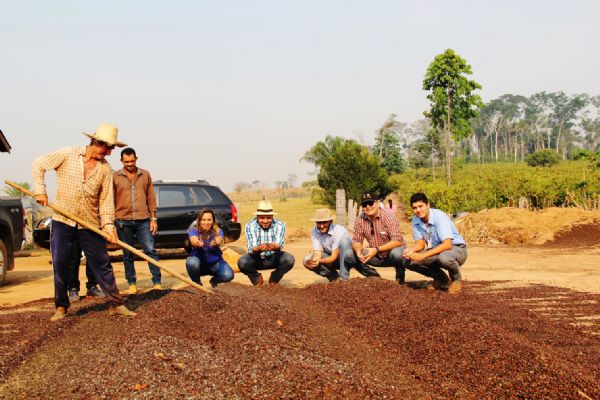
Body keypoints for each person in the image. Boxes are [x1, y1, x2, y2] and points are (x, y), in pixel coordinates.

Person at [32, 123, 135, 321]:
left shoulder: (105, 169)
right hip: (63, 220)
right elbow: (38, 164)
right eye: (107, 148)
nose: (109, 153)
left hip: (90, 223)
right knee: (61, 264)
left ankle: (116, 304)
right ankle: (61, 307)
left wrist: (108, 226)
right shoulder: (68, 154)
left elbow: (106, 201)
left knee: (102, 263)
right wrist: (40, 189)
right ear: (96, 142)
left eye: (112, 149)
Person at [113, 147, 160, 294]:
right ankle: (132, 283)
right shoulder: (115, 176)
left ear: (136, 159)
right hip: (122, 221)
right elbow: (110, 199)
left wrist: (153, 219)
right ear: (121, 161)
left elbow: (151, 198)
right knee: (127, 254)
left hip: (143, 220)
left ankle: (157, 282)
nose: (129, 164)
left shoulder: (145, 175)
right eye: (126, 161)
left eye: (132, 161)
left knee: (150, 250)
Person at [402, 192, 467, 293]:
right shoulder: (416, 219)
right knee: (408, 261)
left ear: (428, 205)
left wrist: (423, 256)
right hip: (438, 250)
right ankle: (442, 279)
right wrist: (411, 250)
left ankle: (456, 279)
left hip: (456, 249)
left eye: (420, 206)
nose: (418, 210)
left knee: (444, 258)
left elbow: (447, 244)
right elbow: (421, 244)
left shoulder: (439, 216)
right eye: (415, 208)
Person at [345, 192, 407, 283]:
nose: (368, 206)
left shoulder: (388, 215)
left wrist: (376, 249)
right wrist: (358, 251)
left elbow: (397, 241)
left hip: (391, 255)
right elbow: (356, 240)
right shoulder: (360, 219)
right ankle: (374, 276)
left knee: (397, 253)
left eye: (370, 203)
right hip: (375, 255)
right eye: (364, 204)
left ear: (378, 203)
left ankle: (400, 278)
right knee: (349, 255)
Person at [237, 200, 295, 286]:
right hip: (256, 257)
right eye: (262, 218)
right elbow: (252, 247)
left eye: (268, 218)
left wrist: (275, 246)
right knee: (242, 262)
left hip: (274, 256)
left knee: (289, 259)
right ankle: (257, 279)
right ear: (257, 216)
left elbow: (279, 245)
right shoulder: (250, 225)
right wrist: (259, 248)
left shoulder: (280, 225)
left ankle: (274, 278)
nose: (265, 221)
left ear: (272, 217)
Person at [185, 208, 235, 288]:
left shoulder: (218, 231)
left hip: (216, 264)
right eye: (203, 220)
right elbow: (193, 240)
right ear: (199, 221)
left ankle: (215, 280)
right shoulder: (194, 230)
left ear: (213, 221)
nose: (206, 222)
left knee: (229, 275)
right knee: (191, 262)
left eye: (209, 220)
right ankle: (197, 284)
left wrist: (216, 241)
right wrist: (197, 243)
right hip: (200, 265)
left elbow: (219, 240)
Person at [302, 208, 355, 282]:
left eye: (324, 222)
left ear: (330, 221)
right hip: (331, 258)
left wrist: (319, 261)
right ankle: (334, 278)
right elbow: (317, 252)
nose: (321, 226)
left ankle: (343, 278)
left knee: (347, 249)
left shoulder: (339, 230)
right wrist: (314, 261)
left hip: (346, 259)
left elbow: (333, 257)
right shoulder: (314, 231)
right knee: (306, 259)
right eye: (319, 223)